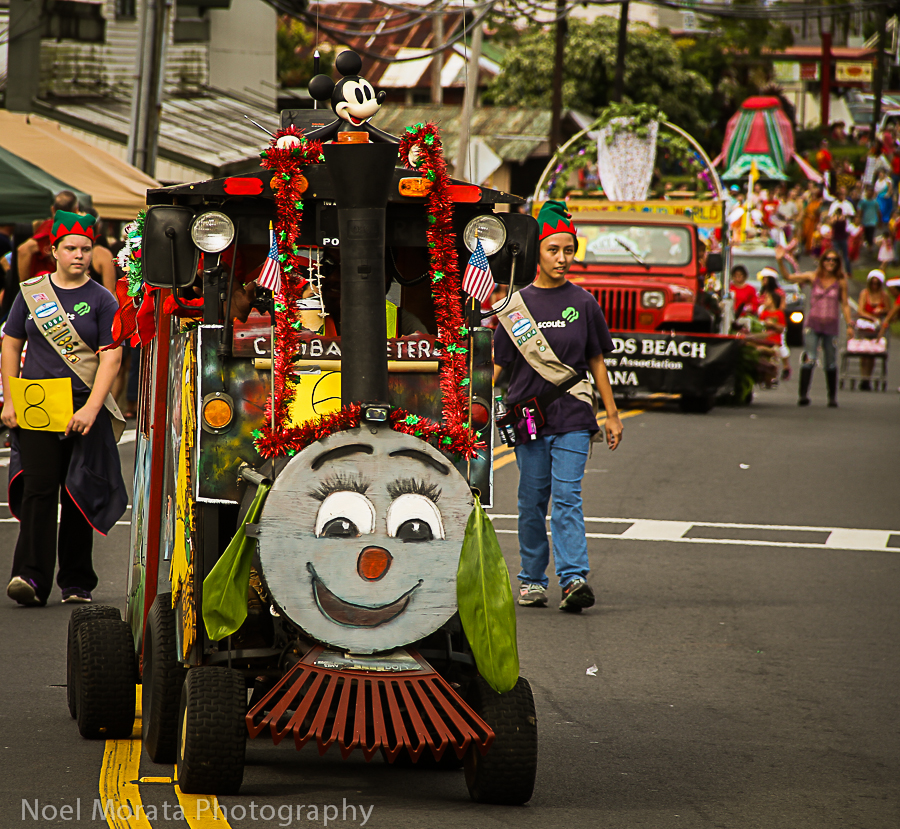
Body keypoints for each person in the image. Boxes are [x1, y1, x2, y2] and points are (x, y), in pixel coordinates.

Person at [492, 201, 622, 613]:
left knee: (567, 497)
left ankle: (573, 579)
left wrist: (612, 414)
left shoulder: (584, 303)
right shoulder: (515, 307)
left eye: (569, 250)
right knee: (531, 501)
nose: (562, 258)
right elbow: (498, 367)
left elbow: (596, 360)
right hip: (529, 418)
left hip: (574, 417)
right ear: (538, 253)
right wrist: (468, 405)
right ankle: (532, 580)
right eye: (553, 250)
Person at [2, 211, 127, 607]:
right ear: (53, 250)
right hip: (38, 405)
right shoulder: (31, 293)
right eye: (71, 248)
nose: (79, 255)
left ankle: (76, 581)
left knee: (78, 491)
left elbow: (111, 356)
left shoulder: (103, 299)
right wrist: (10, 399)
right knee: (38, 490)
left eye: (86, 249)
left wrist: (92, 408)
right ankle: (29, 577)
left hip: (82, 405)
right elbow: (11, 343)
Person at [777, 247, 853, 408]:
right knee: (810, 358)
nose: (830, 262)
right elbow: (789, 277)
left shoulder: (840, 282)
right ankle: (803, 395)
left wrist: (849, 324)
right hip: (813, 324)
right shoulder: (813, 277)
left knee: (830, 361)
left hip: (831, 325)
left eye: (834, 260)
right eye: (828, 259)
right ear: (822, 261)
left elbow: (845, 304)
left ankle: (832, 397)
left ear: (838, 263)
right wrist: (780, 260)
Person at [16, 191, 79, 283]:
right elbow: (23, 250)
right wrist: (25, 286)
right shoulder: (52, 228)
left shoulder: (66, 229)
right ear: (76, 211)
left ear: (52, 209)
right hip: (46, 285)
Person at [855, 269, 890, 390]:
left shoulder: (884, 296)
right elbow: (860, 310)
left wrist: (881, 311)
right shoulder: (864, 294)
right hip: (865, 326)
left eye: (877, 284)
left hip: (877, 329)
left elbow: (889, 310)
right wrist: (871, 317)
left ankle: (868, 378)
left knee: (872, 354)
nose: (874, 286)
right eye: (872, 283)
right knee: (864, 353)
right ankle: (863, 376)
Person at [857, 186, 881, 253]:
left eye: (871, 192)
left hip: (872, 221)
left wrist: (880, 221)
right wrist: (859, 220)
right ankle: (865, 245)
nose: (870, 193)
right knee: (865, 234)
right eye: (868, 191)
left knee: (871, 234)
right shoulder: (863, 202)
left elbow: (878, 212)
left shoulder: (875, 202)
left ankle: (870, 247)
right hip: (864, 221)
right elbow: (860, 211)